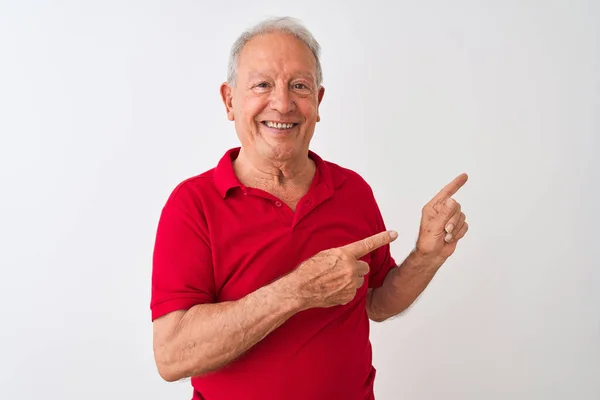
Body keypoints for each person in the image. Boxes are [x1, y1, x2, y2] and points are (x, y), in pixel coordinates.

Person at [150, 16, 469, 400]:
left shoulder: (352, 190)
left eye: (299, 86)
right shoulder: (193, 204)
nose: (283, 104)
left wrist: (427, 256)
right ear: (230, 100)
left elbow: (377, 301)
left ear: (317, 102)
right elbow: (171, 357)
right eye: (262, 85)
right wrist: (297, 291)